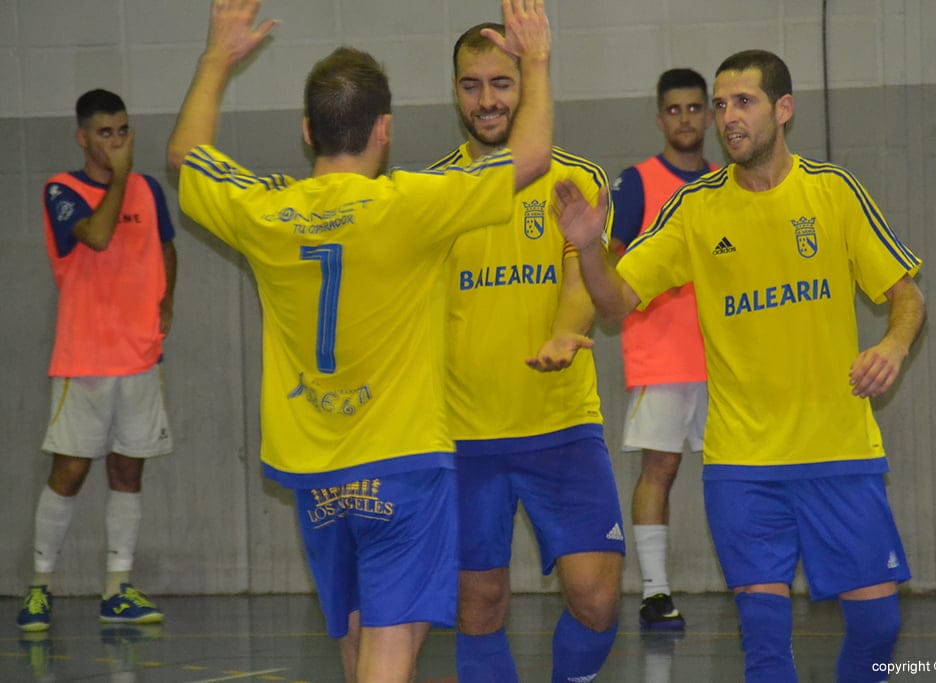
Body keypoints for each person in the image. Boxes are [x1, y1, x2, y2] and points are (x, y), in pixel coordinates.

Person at [165, 1, 552, 681]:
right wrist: (537, 60)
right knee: (390, 650)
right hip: (401, 461)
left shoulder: (265, 210)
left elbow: (184, 155)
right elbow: (532, 156)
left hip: (311, 471)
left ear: (308, 130)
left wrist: (215, 61)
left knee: (354, 639)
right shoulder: (412, 203)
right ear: (385, 130)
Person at [553, 49, 925, 682]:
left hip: (839, 452)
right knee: (764, 643)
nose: (727, 117)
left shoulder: (832, 192)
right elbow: (615, 301)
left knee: (878, 626)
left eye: (743, 102)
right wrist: (589, 250)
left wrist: (891, 346)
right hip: (744, 465)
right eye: (720, 104)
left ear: (783, 110)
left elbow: (908, 296)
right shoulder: (696, 208)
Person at [427, 22, 624, 683]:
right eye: (473, 85)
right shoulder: (435, 194)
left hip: (561, 427)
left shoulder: (576, 179)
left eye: (503, 83)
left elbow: (580, 276)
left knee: (597, 599)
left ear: (529, 85)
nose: (487, 100)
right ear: (455, 92)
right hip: (464, 437)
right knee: (477, 604)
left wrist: (567, 331)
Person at [17, 89, 176, 633]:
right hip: (84, 358)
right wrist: (122, 177)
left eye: (124, 131)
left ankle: (118, 587)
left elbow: (166, 244)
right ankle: (39, 587)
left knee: (128, 468)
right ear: (83, 137)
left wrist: (166, 301)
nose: (116, 141)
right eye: (105, 133)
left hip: (138, 358)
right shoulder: (62, 190)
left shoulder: (151, 191)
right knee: (70, 470)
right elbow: (100, 235)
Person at [608, 67, 716, 631]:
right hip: (663, 355)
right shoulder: (639, 182)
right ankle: (655, 592)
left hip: (726, 360)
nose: (685, 119)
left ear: (710, 114)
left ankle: (752, 584)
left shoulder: (728, 182)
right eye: (674, 110)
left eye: (695, 108)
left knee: (737, 473)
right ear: (659, 118)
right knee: (660, 469)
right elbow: (609, 264)